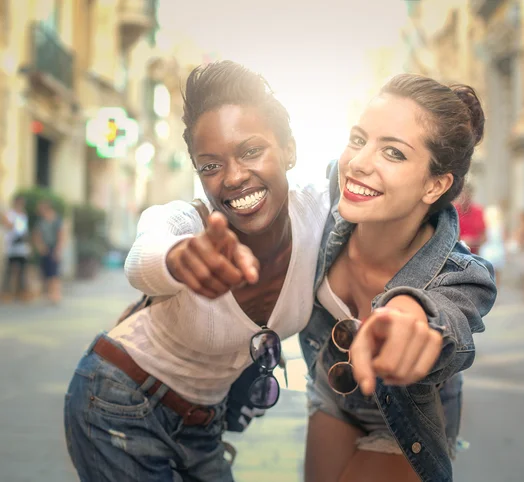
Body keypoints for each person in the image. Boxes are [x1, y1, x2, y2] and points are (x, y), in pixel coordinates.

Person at [64, 61, 330, 482]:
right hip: (116, 399)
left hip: (203, 422)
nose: (234, 177)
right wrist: (179, 259)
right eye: (211, 166)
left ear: (290, 150)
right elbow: (145, 255)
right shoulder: (190, 222)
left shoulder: (317, 210)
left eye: (251, 150)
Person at [300, 74, 497, 482]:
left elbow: (444, 318)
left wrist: (411, 316)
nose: (359, 162)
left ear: (435, 185)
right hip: (331, 392)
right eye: (358, 139)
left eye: (393, 152)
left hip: (409, 421)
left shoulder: (461, 276)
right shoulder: (324, 205)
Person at [32, 198, 65, 304]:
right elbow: (36, 235)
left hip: (53, 248)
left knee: (54, 273)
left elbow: (61, 235)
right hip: (44, 249)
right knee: (46, 273)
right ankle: (49, 294)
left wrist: (58, 250)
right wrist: (40, 246)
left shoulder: (56, 219)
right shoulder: (40, 221)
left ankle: (56, 295)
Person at [1, 194, 30, 302]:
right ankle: (6, 293)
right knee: (9, 271)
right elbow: (7, 225)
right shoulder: (10, 214)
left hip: (22, 247)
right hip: (11, 246)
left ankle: (21, 292)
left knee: (22, 271)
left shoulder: (23, 215)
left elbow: (25, 231)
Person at [455, 183, 486, 255]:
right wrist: (462, 241)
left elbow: (484, 237)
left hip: (474, 254)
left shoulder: (478, 211)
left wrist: (473, 241)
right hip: (457, 253)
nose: (465, 198)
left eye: (467, 195)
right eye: (463, 195)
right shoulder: (453, 211)